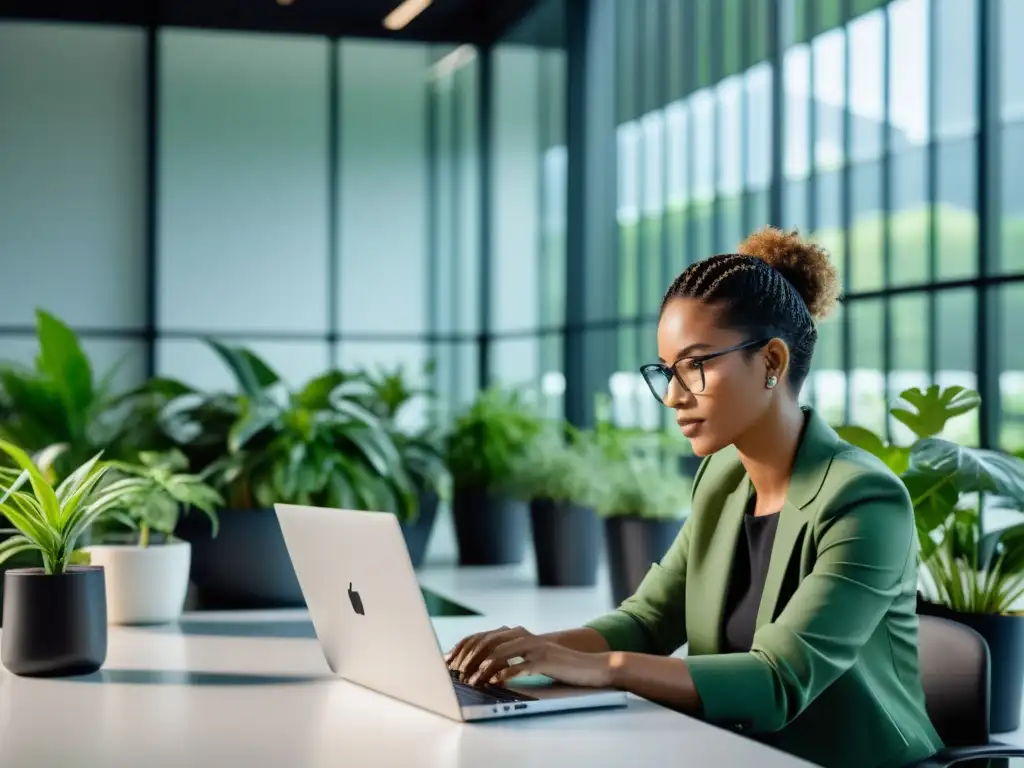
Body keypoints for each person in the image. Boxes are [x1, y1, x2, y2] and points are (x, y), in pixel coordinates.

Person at [445, 228, 943, 768]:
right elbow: (648, 621)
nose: (676, 396)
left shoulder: (864, 500)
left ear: (772, 362)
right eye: (667, 371)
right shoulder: (723, 477)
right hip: (732, 752)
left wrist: (606, 668)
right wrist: (529, 652)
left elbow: (778, 682)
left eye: (696, 365)